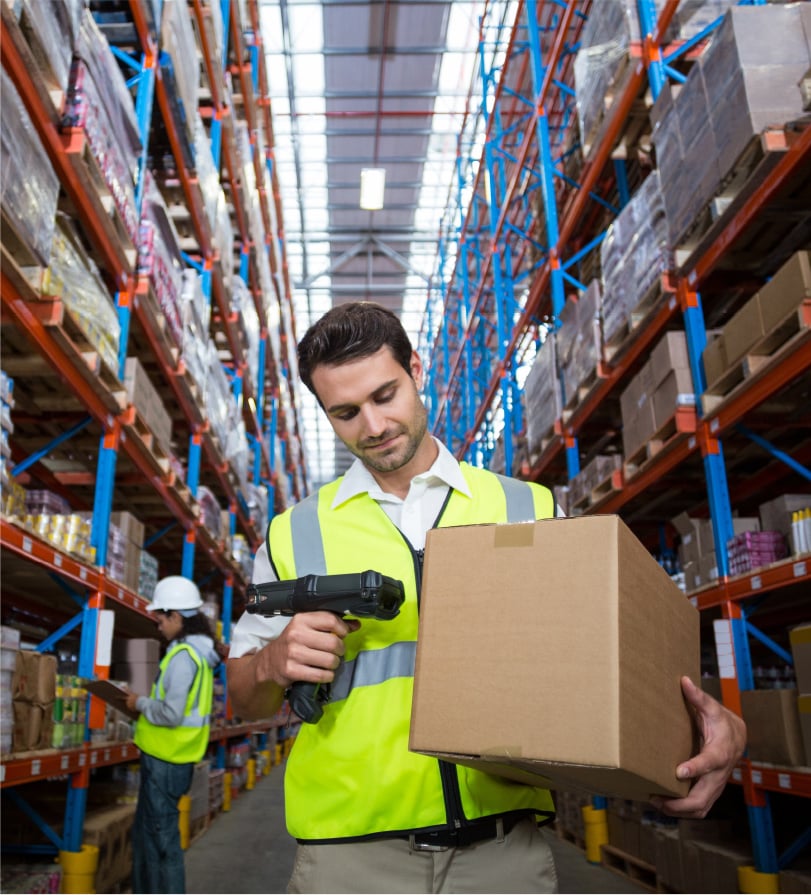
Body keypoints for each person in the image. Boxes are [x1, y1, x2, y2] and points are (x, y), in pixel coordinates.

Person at [227, 301, 747, 894]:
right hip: (350, 859)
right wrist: (272, 662)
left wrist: (708, 725)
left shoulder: (528, 508)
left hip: (503, 854)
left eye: (385, 395)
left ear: (416, 370)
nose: (372, 427)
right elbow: (244, 696)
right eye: (345, 413)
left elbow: (613, 649)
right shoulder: (295, 533)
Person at [125, 575, 220, 894]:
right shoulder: (198, 655)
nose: (158, 626)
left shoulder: (183, 658)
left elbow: (169, 713)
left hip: (165, 761)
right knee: (149, 839)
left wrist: (138, 702)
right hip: (174, 759)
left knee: (163, 845)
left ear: (176, 617)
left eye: (161, 619)